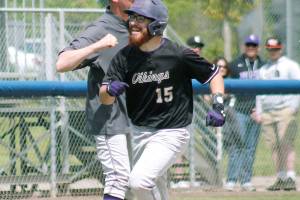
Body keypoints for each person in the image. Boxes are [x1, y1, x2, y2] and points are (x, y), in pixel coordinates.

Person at [99, 0, 225, 199]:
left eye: (140, 18)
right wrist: (109, 91)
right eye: (132, 17)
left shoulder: (178, 54)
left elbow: (214, 74)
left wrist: (218, 105)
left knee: (138, 182)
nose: (133, 22)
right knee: (155, 188)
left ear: (156, 24)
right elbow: (105, 99)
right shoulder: (124, 57)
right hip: (140, 131)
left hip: (172, 132)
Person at [56, 1, 134, 200]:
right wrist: (98, 45)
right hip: (111, 120)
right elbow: (62, 63)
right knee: (118, 179)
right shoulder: (101, 28)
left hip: (139, 120)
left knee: (143, 182)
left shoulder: (138, 26)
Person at [255, 37, 300, 191]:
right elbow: (259, 92)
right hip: (268, 111)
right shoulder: (263, 69)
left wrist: (294, 106)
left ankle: (291, 177)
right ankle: (280, 177)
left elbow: (298, 85)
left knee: (286, 142)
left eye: (275, 49)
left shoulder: (291, 65)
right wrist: (259, 111)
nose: (273, 51)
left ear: (281, 49)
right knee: (274, 146)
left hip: (285, 109)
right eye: (270, 49)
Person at [225, 34, 265, 191]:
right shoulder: (235, 64)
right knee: (237, 146)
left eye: (253, 45)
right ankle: (231, 179)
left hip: (256, 111)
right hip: (239, 111)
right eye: (248, 45)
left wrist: (260, 109)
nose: (250, 48)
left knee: (250, 148)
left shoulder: (264, 65)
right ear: (244, 46)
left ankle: (246, 180)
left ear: (258, 48)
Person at [170, 35, 207, 189]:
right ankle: (178, 178)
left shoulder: (201, 62)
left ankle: (193, 177)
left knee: (197, 142)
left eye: (199, 46)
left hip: (199, 108)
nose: (196, 48)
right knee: (177, 145)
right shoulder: (179, 60)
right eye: (193, 45)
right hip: (179, 109)